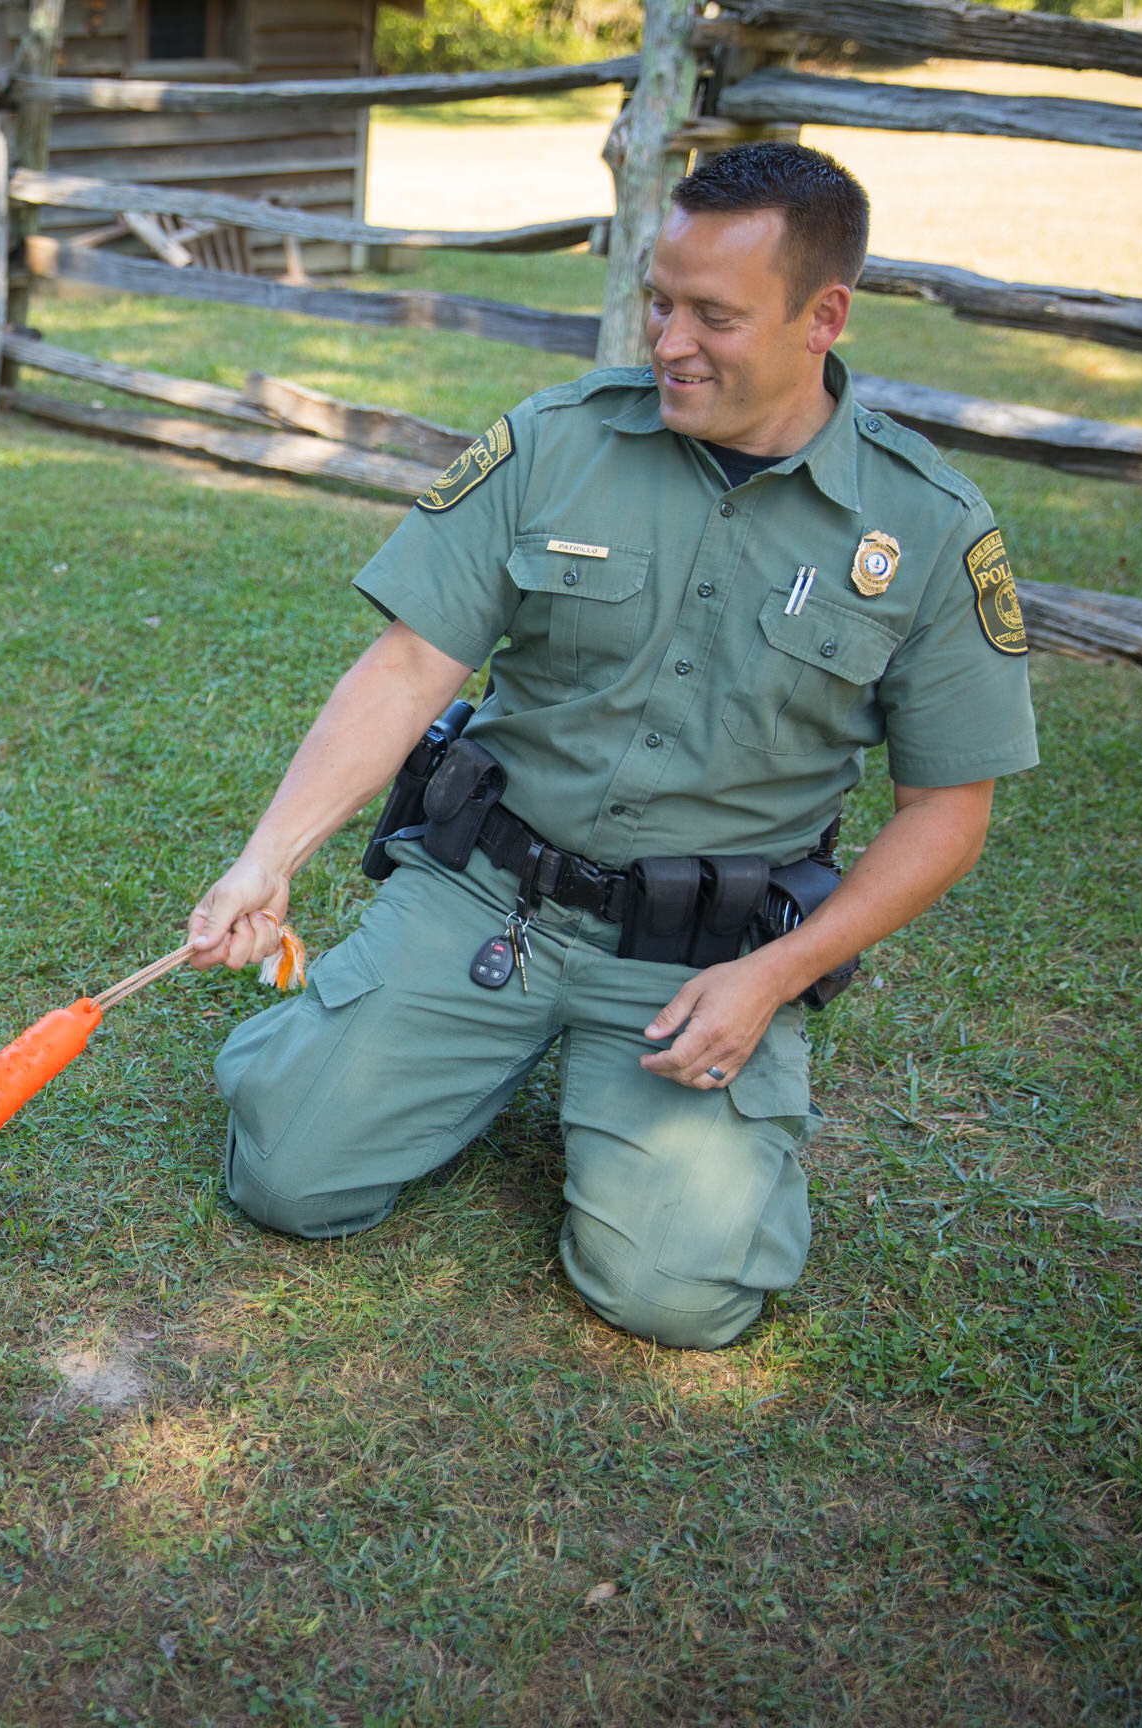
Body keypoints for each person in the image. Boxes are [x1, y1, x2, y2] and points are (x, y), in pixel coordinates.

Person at [186, 143, 1037, 1351]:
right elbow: (412, 665)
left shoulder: (929, 529)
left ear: (822, 316)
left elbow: (948, 812)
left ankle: (633, 1099)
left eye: (713, 315)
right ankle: (404, 1033)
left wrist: (772, 979)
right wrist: (269, 857)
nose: (667, 340)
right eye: (658, 298)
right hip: (489, 897)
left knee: (675, 1298)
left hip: (699, 959)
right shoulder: (556, 441)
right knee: (286, 1175)